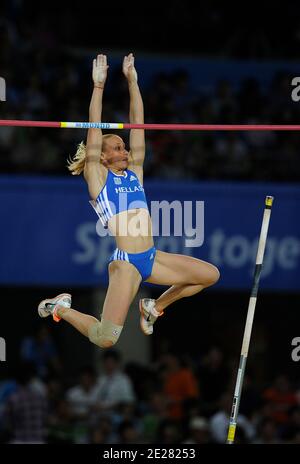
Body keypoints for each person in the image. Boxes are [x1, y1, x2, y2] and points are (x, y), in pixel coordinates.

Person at [37, 53, 220, 349]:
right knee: (105, 338)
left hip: (151, 257)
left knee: (209, 275)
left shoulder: (135, 173)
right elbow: (94, 132)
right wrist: (98, 87)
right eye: (118, 148)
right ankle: (61, 307)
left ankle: (154, 308)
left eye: (124, 148)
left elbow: (138, 125)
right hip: (127, 265)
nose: (125, 152)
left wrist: (133, 82)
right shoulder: (98, 178)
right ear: (104, 156)